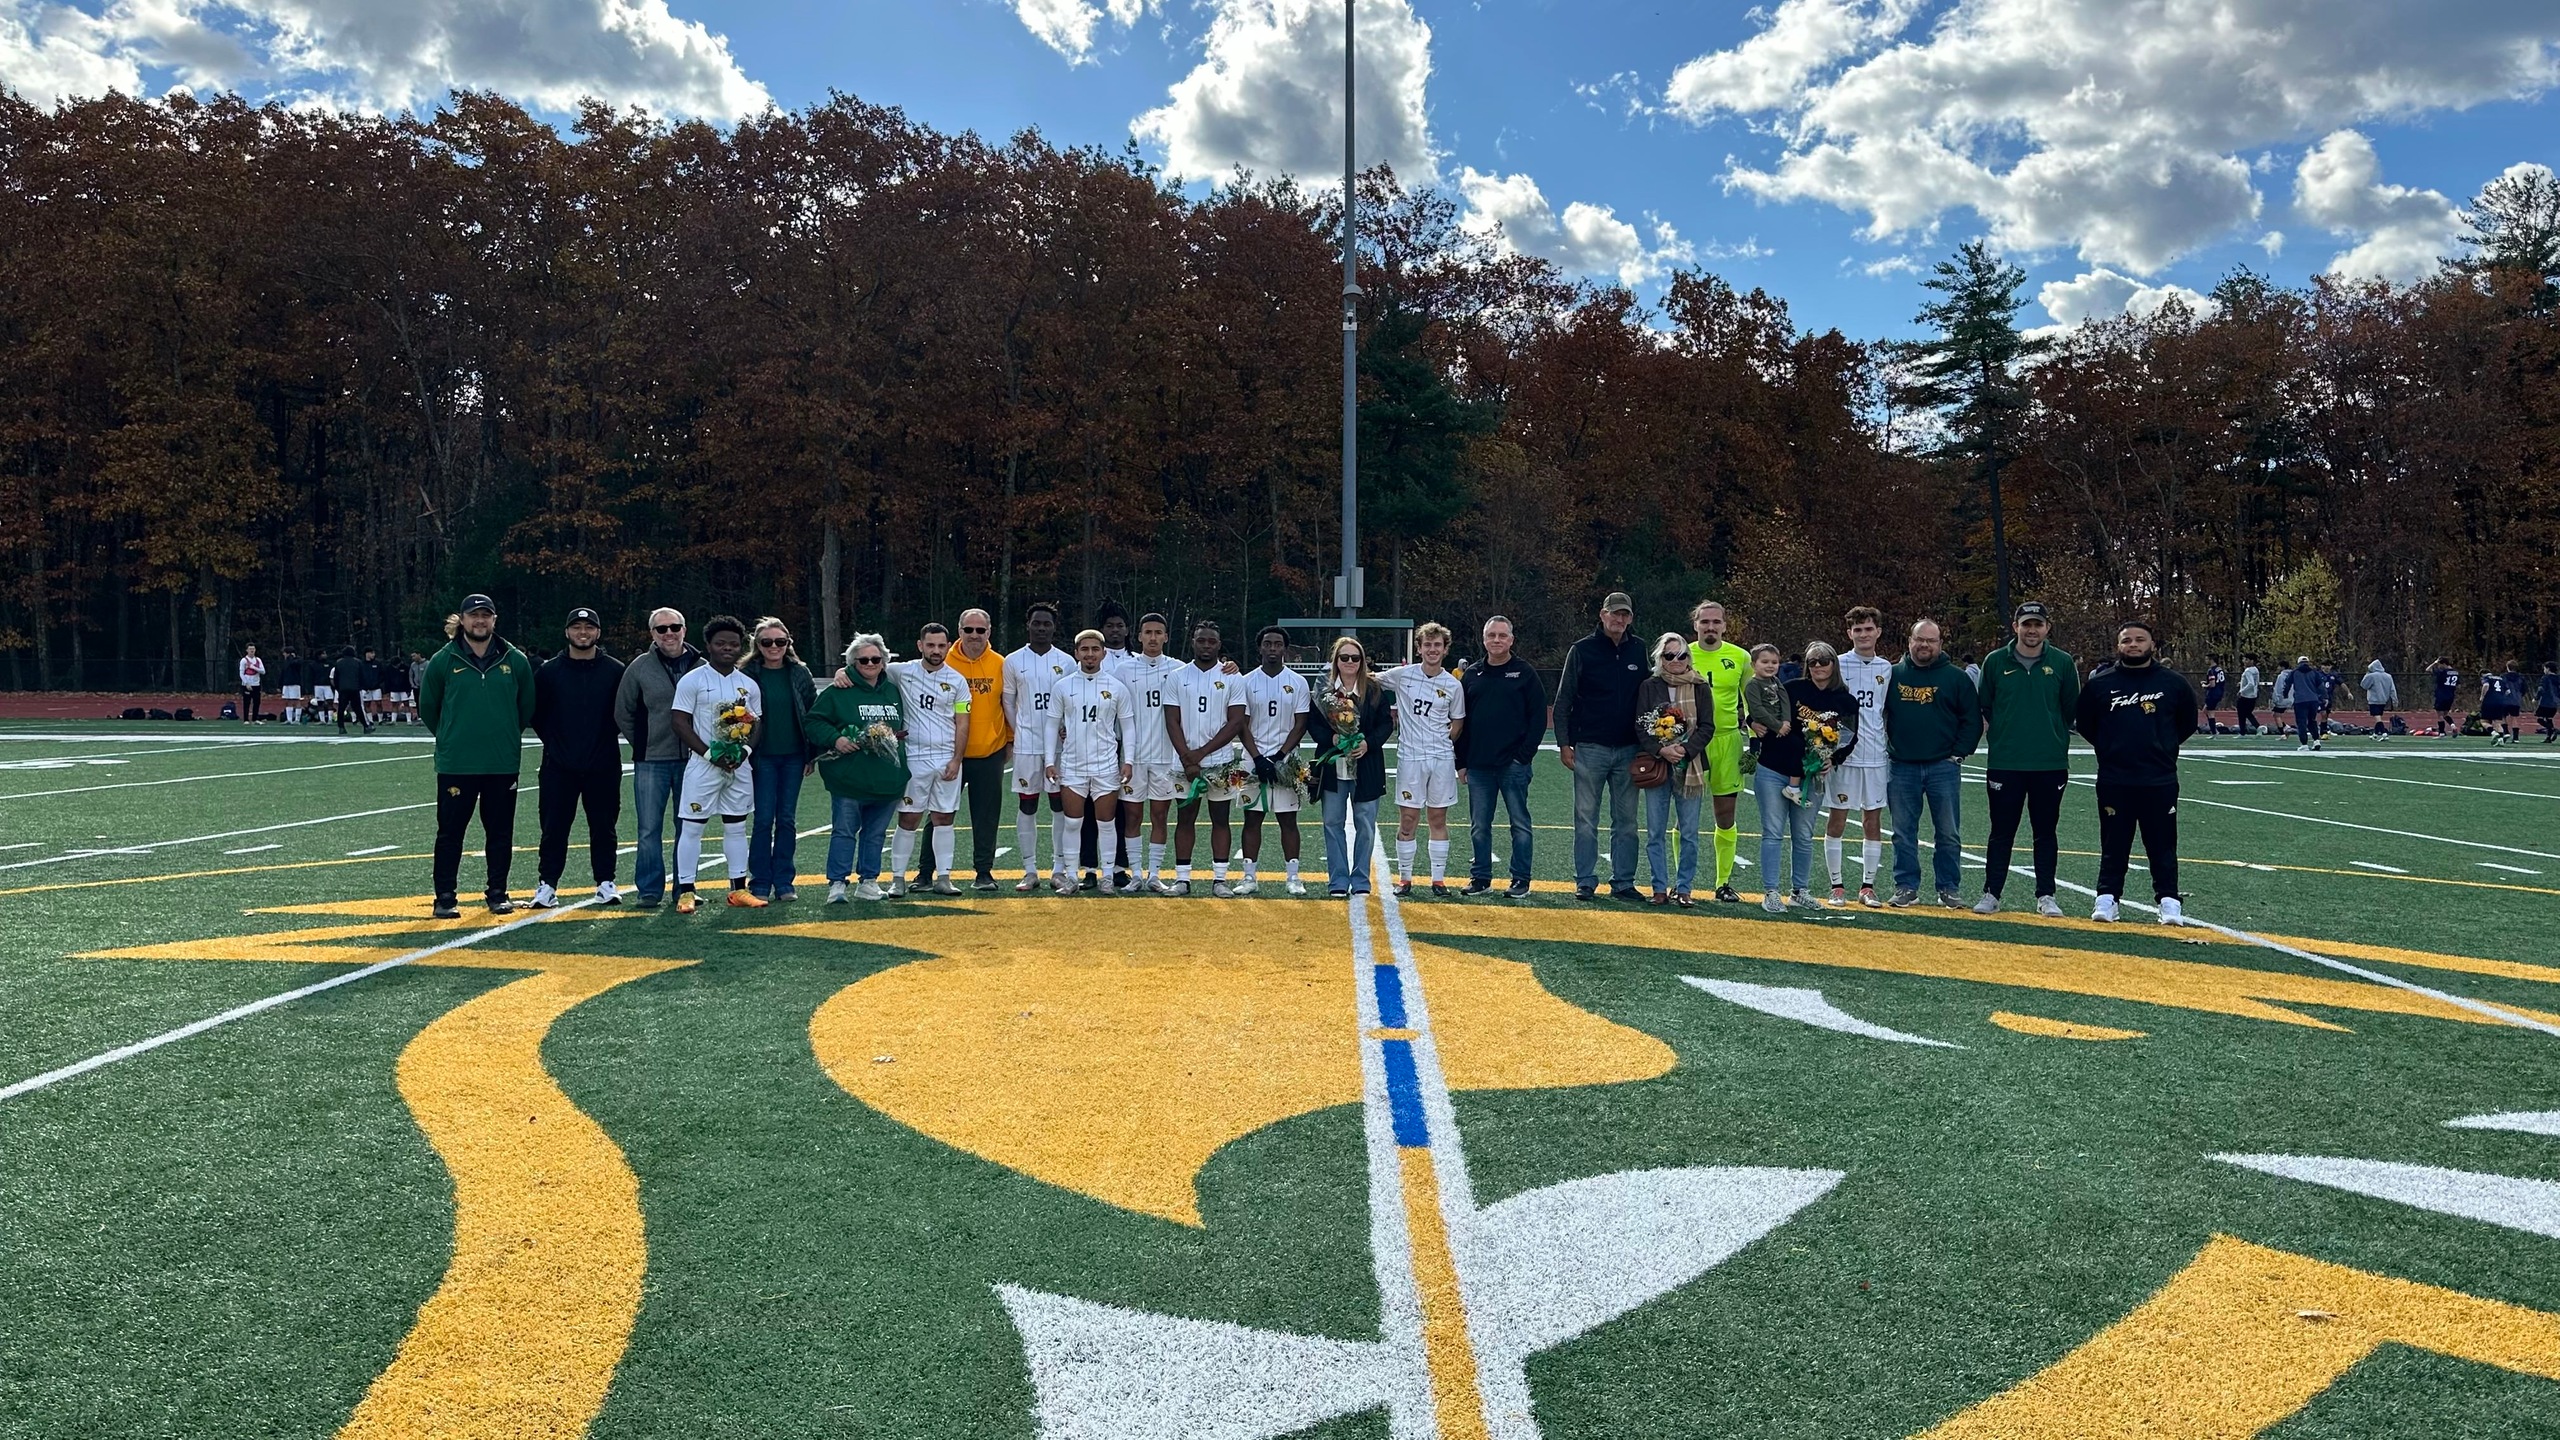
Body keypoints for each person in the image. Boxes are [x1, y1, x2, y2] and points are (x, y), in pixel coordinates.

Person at [417, 594, 537, 919]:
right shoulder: (443, 660)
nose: (480, 621)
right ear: (463, 619)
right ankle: (445, 897)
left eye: (486, 615)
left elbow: (525, 707)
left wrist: (506, 735)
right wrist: (451, 737)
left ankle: (497, 893)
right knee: (450, 833)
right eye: (474, 616)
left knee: (499, 833)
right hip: (458, 764)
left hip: (501, 763)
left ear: (494, 620)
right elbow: (429, 708)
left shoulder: (516, 660)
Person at [2074, 620, 2197, 925]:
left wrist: (2162, 746)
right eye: (2126, 640)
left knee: (2163, 844)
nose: (2133, 645)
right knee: (2114, 843)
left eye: (2139, 639)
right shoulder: (2100, 684)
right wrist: (2112, 748)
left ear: (2152, 645)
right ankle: (2107, 898)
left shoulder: (2174, 683)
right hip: (2115, 778)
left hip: (2160, 778)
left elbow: (2187, 722)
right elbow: (2087, 724)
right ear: (2118, 646)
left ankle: (2169, 900)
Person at [1974, 601, 2077, 917]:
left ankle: (2046, 894)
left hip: (2049, 762)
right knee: (2001, 830)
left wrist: (2052, 736)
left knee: (2045, 831)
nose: (2032, 630)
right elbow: (1986, 705)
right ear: (2015, 626)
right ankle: (1992, 893)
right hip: (2006, 761)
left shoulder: (2061, 662)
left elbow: (2070, 707)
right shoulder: (1994, 661)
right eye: (2026, 624)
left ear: (2047, 628)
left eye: (2038, 624)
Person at [1553, 593, 1648, 901]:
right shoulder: (1581, 650)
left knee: (1627, 821)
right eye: (1614, 614)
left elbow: (1648, 697)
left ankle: (1623, 881)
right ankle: (1585, 880)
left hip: (1628, 749)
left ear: (1631, 618)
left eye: (1625, 615)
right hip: (1590, 747)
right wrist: (1565, 743)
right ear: (1602, 615)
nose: (1619, 620)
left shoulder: (1639, 649)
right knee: (1585, 818)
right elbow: (1564, 699)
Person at [530, 606, 626, 909]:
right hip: (559, 765)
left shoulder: (615, 670)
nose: (582, 633)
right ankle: (547, 885)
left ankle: (605, 883)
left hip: (603, 763)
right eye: (576, 628)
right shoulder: (548, 671)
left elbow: (623, 713)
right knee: (554, 827)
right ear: (567, 632)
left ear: (598, 632)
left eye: (588, 628)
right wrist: (558, 743)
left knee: (604, 826)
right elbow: (537, 715)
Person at [669, 615, 765, 913]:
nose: (728, 648)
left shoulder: (748, 684)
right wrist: (710, 754)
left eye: (734, 644)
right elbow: (680, 722)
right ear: (709, 645)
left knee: (736, 826)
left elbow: (757, 721)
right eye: (721, 643)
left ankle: (738, 889)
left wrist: (744, 752)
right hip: (704, 765)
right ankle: (686, 891)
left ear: (741, 647)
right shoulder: (693, 680)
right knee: (693, 826)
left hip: (738, 767)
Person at [1884, 618, 1981, 908]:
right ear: (1909, 641)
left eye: (1931, 640)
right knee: (1902, 832)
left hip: (1943, 766)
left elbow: (1972, 720)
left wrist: (1958, 753)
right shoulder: (1892, 674)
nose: (1924, 645)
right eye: (1919, 639)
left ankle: (1949, 887)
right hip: (1901, 765)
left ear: (1940, 644)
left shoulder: (1956, 678)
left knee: (1948, 832)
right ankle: (1906, 886)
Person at [1758, 643, 1859, 914]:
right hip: (1774, 768)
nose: (1818, 666)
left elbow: (1850, 738)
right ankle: (1770, 891)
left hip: (1811, 775)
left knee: (1803, 834)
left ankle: (1799, 891)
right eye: (1813, 661)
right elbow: (1764, 713)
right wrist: (1749, 720)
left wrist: (1831, 758)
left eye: (1824, 660)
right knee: (1773, 832)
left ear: (1833, 663)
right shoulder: (1791, 689)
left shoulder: (1845, 700)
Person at [613, 608, 703, 907]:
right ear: (652, 634)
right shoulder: (639, 667)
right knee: (649, 828)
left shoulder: (701, 665)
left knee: (687, 827)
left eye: (674, 627)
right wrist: (644, 742)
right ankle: (650, 890)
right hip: (652, 761)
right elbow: (623, 711)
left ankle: (685, 889)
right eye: (661, 629)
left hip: (694, 761)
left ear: (684, 629)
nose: (669, 633)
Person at [807, 633, 906, 902]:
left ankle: (869, 881)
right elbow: (814, 722)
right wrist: (836, 739)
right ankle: (837, 883)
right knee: (844, 831)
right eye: (863, 660)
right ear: (853, 662)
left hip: (887, 778)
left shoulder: (893, 690)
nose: (870, 663)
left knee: (875, 833)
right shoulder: (838, 691)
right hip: (849, 776)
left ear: (884, 661)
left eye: (876, 659)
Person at [1456, 615, 1546, 898]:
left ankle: (1520, 879)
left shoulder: (1524, 672)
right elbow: (1461, 721)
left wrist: (1523, 756)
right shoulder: (1472, 674)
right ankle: (1480, 877)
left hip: (1513, 765)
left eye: (1502, 635)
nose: (1497, 640)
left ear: (1511, 640)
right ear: (1484, 639)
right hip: (1480, 766)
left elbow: (1538, 718)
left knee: (1519, 824)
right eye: (1491, 635)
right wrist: (1461, 762)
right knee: (1479, 826)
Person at [1376, 623, 1468, 897]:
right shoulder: (1403, 675)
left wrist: (1440, 744)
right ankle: (1405, 879)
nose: (1432, 649)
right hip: (1410, 758)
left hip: (1440, 759)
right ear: (1419, 648)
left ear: (1445, 649)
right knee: (1408, 818)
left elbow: (1458, 722)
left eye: (1437, 645)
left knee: (1438, 818)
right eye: (1427, 644)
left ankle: (1438, 880)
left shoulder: (1453, 685)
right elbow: (1369, 677)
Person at [885, 622, 973, 896]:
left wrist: (957, 759)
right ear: (920, 645)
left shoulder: (957, 681)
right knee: (908, 818)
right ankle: (897, 879)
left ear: (948, 646)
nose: (936, 651)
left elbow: (962, 722)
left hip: (946, 758)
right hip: (914, 759)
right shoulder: (901, 671)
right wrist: (843, 671)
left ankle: (943, 877)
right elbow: (868, 668)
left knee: (943, 818)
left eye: (941, 646)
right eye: (931, 645)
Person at [1046, 629, 1135, 892]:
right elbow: (1052, 725)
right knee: (1072, 823)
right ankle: (1072, 877)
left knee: (1106, 824)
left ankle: (1107, 876)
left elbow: (1127, 727)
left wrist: (1127, 760)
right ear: (1076, 653)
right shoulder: (1063, 686)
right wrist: (1050, 761)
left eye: (1095, 649)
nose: (1090, 654)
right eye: (1084, 649)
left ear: (1103, 653)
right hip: (1073, 765)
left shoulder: (1116, 687)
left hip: (1105, 765)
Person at [1165, 620, 1250, 896]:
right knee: (1185, 819)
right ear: (1193, 641)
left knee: (1221, 820)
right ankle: (1182, 879)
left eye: (1211, 641)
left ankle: (1220, 880)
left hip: (1221, 763)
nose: (1206, 645)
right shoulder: (1177, 676)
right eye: (1201, 640)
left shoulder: (1232, 677)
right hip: (1183, 764)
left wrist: (1200, 754)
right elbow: (1171, 720)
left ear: (1219, 644)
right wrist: (1187, 758)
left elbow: (1236, 722)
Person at [1314, 636, 1396, 897]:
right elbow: (1312, 724)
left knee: (1366, 824)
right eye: (1344, 657)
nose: (1349, 662)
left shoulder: (1373, 689)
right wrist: (1333, 738)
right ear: (1336, 661)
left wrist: (1368, 744)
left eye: (1355, 658)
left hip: (1367, 766)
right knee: (1332, 823)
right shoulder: (1323, 690)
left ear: (1362, 662)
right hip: (1333, 767)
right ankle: (1337, 880)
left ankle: (1361, 879)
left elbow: (1386, 723)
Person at [1685, 601, 1754, 903]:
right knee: (1685, 816)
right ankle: (1682, 881)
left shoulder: (1740, 657)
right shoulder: (1682, 653)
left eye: (1716, 622)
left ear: (1725, 625)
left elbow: (1751, 701)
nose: (1710, 627)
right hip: (1692, 742)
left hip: (1727, 741)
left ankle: (1723, 882)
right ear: (1695, 625)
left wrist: (1755, 741)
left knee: (1725, 816)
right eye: (1705, 622)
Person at [1826, 606, 1894, 906]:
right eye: (1858, 630)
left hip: (1877, 756)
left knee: (1872, 821)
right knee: (1837, 819)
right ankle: (1836, 886)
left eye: (1869, 629)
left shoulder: (1887, 668)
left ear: (1878, 631)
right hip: (1845, 758)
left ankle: (1867, 887)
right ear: (1849, 633)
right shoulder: (1837, 665)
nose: (1863, 634)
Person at [1236, 626, 1311, 895]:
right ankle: (1248, 877)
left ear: (1284, 649)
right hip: (1252, 760)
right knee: (1252, 819)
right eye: (1267, 644)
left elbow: (1300, 723)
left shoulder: (1298, 682)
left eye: (1277, 644)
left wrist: (1279, 757)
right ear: (1260, 648)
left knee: (1288, 820)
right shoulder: (1245, 681)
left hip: (1286, 761)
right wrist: (1258, 758)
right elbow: (1241, 724)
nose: (1272, 649)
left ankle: (1293, 877)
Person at [1003, 603, 1073, 891]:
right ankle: (1029, 870)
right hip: (1028, 746)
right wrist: (1019, 730)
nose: (1041, 628)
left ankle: (1058, 868)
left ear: (1054, 627)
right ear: (1028, 625)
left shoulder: (1067, 661)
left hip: (1059, 747)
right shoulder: (1013, 660)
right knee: (1027, 805)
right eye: (1037, 623)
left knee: (1060, 805)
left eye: (1047, 624)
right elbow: (1008, 700)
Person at [745, 617, 816, 900]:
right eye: (767, 642)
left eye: (780, 641)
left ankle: (784, 881)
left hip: (794, 757)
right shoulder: (746, 673)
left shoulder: (800, 673)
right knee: (763, 819)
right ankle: (760, 881)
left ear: (788, 644)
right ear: (757, 645)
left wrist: (812, 753)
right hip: (761, 758)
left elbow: (812, 713)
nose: (774, 647)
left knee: (786, 819)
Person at [940, 607, 1010, 891]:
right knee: (940, 814)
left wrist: (1010, 740)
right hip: (948, 753)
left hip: (989, 752)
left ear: (989, 632)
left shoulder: (1000, 664)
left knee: (986, 817)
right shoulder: (942, 661)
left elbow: (1009, 704)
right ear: (959, 631)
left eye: (980, 630)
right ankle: (926, 872)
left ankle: (984, 872)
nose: (974, 635)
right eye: (968, 629)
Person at [1115, 613, 1185, 893]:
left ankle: (1154, 874)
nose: (1153, 637)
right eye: (1148, 632)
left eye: (1158, 632)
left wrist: (1230, 665)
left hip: (1166, 757)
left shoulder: (1179, 669)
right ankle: (1135, 875)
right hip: (1132, 757)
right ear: (1140, 636)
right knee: (1132, 817)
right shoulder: (1123, 670)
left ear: (1166, 637)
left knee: (1159, 816)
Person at [1636, 635, 1708, 906]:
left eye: (1681, 655)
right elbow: (1640, 725)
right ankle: (1658, 888)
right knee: (1655, 831)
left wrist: (1686, 750)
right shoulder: (1649, 686)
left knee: (1689, 832)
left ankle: (1684, 888)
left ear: (1689, 658)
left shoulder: (1700, 686)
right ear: (1660, 659)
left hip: (1691, 767)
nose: (1676, 661)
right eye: (1669, 656)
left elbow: (1707, 726)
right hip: (1658, 767)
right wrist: (1661, 749)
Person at [2278, 655, 2323, 751]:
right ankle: (2316, 741)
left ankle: (2304, 744)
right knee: (2312, 721)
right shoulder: (2314, 672)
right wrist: (2324, 697)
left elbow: (2287, 684)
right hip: (2313, 700)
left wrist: (2285, 695)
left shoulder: (2294, 672)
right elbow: (2320, 686)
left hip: (2300, 700)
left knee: (2301, 722)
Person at [330, 646, 372, 734]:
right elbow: (362, 676)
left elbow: (336, 677)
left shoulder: (339, 663)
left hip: (343, 689)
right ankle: (365, 726)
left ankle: (341, 727)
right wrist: (362, 686)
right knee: (358, 708)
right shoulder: (358, 662)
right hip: (355, 688)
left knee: (341, 709)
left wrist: (338, 688)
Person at [2483, 662, 2526, 744]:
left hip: (2504, 699)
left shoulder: (2503, 677)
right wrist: (2519, 696)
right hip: (2516, 700)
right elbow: (2524, 689)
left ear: (2507, 667)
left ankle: (2506, 732)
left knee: (2502, 717)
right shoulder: (2521, 677)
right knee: (2514, 718)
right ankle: (2516, 738)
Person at [2358, 660, 2397, 740]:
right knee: (2378, 716)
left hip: (2374, 699)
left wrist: (2367, 674)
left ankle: (2384, 732)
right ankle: (2375, 733)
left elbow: (2364, 685)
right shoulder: (2388, 676)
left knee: (2377, 717)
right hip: (2383, 700)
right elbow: (2392, 689)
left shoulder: (2371, 676)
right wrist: (2394, 699)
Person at [2428, 658, 2460, 736]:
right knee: (2445, 714)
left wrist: (2434, 663)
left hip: (2441, 695)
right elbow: (2458, 684)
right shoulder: (2456, 673)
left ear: (2444, 664)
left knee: (2440, 715)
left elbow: (2428, 669)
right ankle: (2453, 726)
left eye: (2440, 664)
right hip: (2450, 695)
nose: (2439, 666)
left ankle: (2441, 732)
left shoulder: (2443, 672)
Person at [236, 644, 265, 723]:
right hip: (247, 684)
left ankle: (255, 718)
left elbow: (263, 671)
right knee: (247, 702)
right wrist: (246, 683)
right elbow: (241, 673)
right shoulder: (244, 660)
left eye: (253, 649)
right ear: (247, 650)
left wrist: (253, 667)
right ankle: (246, 719)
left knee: (257, 702)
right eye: (250, 649)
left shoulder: (258, 660)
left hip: (256, 684)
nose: (252, 651)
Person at [276, 646, 305, 724]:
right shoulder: (285, 662)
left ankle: (297, 719)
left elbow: (296, 664)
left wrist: (292, 657)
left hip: (295, 683)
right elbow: (282, 673)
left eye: (285, 653)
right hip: (286, 684)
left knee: (296, 700)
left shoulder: (297, 660)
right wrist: (280, 685)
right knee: (288, 700)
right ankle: (289, 719)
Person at [2235, 655, 2261, 735]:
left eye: (2246, 660)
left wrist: (2241, 690)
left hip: (2246, 696)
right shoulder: (2255, 670)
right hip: (2253, 695)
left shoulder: (2248, 671)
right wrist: (2242, 683)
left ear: (2252, 661)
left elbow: (2251, 684)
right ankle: (2258, 728)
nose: (2244, 661)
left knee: (2241, 713)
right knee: (2247, 713)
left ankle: (2243, 731)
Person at [2201, 661, 2226, 734]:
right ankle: (2214, 728)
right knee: (2205, 710)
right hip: (2219, 692)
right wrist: (2207, 682)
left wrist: (2205, 686)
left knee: (2210, 713)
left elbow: (2212, 684)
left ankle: (2214, 731)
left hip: (2213, 693)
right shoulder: (2219, 669)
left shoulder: (2211, 670)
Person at [2537, 662, 2559, 743]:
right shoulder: (2558, 678)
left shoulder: (2545, 678)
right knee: (2549, 719)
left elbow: (2541, 689)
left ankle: (2553, 730)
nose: (2544, 670)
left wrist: (2536, 698)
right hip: (2555, 702)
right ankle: (2548, 738)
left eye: (2544, 668)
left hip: (2546, 701)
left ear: (2548, 669)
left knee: (2540, 719)